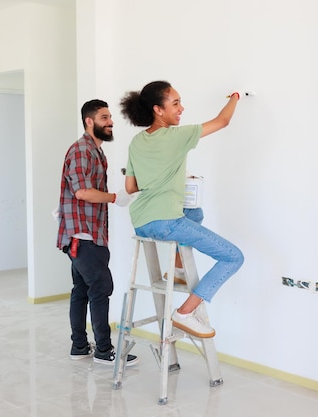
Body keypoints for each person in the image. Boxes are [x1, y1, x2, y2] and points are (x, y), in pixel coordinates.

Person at [120, 81, 244, 338]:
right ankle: (185, 313)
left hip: (141, 220)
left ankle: (177, 268)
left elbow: (131, 187)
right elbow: (222, 121)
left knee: (194, 213)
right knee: (233, 257)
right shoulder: (177, 136)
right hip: (166, 221)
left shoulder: (136, 142)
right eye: (175, 103)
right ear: (158, 110)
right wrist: (235, 96)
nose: (181, 108)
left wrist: (161, 177)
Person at [56, 99, 138, 365]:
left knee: (82, 289)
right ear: (89, 121)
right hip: (83, 235)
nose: (110, 121)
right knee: (101, 287)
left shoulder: (96, 152)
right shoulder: (81, 150)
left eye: (110, 117)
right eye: (104, 117)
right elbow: (82, 192)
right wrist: (115, 196)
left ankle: (80, 346)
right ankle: (104, 350)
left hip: (86, 234)